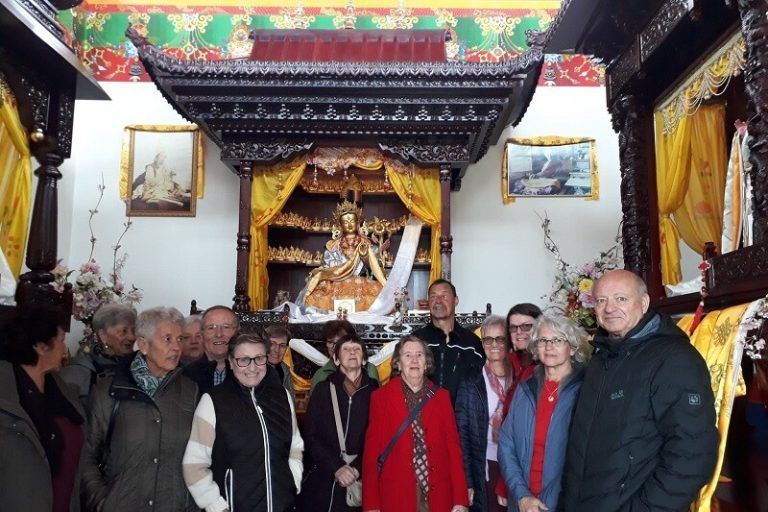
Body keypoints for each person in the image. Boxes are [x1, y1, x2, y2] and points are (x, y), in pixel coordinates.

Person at [560, 269, 719, 511]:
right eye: (601, 301)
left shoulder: (674, 358)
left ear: (644, 303)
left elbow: (692, 454)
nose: (609, 308)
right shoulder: (601, 358)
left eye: (621, 299)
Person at [81, 306, 198, 512]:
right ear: (143, 345)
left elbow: (200, 456)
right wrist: (103, 502)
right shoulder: (108, 390)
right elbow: (86, 456)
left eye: (180, 339)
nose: (177, 347)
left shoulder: (190, 391)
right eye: (167, 339)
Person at [183, 332, 304, 512]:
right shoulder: (214, 401)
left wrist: (292, 482)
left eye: (259, 358)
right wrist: (215, 506)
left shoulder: (282, 396)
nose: (252, 367)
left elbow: (295, 447)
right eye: (244, 360)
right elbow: (194, 464)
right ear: (231, 362)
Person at [362, 334, 469, 512]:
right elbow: (372, 454)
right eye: (407, 355)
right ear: (398, 363)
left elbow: (454, 450)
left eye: (419, 355)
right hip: (396, 497)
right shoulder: (380, 398)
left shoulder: (442, 397)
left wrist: (460, 499)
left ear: (426, 362)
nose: (414, 360)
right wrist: (372, 505)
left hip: (438, 496)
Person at [498, 314, 587, 512]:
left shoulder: (586, 390)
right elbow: (506, 444)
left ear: (572, 348)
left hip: (564, 503)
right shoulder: (525, 388)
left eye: (558, 340)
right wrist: (522, 495)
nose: (549, 346)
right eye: (543, 340)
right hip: (523, 503)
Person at [0, 307, 85, 512]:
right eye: (61, 339)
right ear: (40, 346)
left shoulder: (62, 390)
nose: (65, 349)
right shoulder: (6, 395)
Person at [298, 333, 378, 511]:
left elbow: (379, 439)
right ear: (335, 359)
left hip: (361, 479)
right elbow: (310, 435)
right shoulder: (323, 390)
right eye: (346, 349)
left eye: (357, 349)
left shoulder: (376, 392)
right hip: (325, 477)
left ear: (364, 359)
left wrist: (357, 469)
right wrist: (337, 467)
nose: (352, 352)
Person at [455, 315, 514, 512]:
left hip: (517, 466)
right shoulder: (471, 381)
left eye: (500, 338)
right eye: (488, 339)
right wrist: (468, 480)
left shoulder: (521, 376)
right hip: (486, 466)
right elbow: (462, 434)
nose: (494, 344)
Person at [298, 199, 388, 312]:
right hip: (336, 283)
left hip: (361, 283)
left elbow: (376, 270)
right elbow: (327, 269)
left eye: (352, 221)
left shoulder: (367, 246)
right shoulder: (332, 248)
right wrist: (324, 273)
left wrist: (365, 257)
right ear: (340, 225)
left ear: (358, 223)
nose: (349, 225)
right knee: (316, 296)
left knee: (379, 297)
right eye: (345, 222)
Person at [413, 279, 484, 404]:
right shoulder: (415, 341)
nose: (438, 301)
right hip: (422, 419)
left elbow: (482, 388)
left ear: (456, 300)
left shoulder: (472, 344)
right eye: (433, 296)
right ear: (428, 302)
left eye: (444, 296)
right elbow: (398, 383)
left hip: (460, 420)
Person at [60, 303, 137, 409]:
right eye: (124, 331)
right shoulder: (78, 371)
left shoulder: (139, 367)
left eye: (134, 330)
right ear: (103, 335)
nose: (132, 337)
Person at [184, 305, 238, 394]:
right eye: (211, 328)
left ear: (237, 331)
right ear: (202, 334)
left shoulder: (250, 370)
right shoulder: (187, 375)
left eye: (226, 327)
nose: (219, 334)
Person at [311, 320, 379, 391]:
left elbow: (376, 400)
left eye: (340, 342)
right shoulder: (320, 374)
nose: (335, 347)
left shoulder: (369, 370)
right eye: (330, 342)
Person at [506, 303, 542, 394]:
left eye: (526, 326)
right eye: (513, 328)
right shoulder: (507, 362)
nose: (518, 332)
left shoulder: (548, 364)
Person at [265, 324, 296, 403]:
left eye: (282, 345)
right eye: (272, 344)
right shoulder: (254, 371)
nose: (277, 350)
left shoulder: (285, 370)